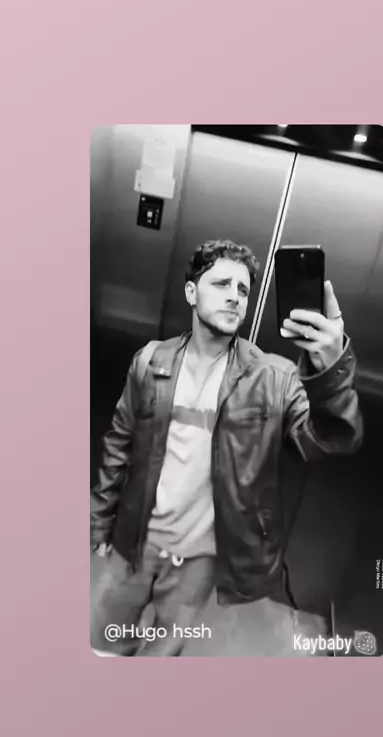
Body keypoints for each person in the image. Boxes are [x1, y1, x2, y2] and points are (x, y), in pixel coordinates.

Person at [90, 240, 362, 656]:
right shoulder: (151, 361)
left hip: (198, 562)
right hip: (134, 541)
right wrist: (99, 521)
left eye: (243, 289)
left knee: (162, 654)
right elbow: (119, 443)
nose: (235, 296)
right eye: (221, 284)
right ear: (191, 292)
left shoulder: (274, 378)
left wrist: (330, 371)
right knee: (103, 644)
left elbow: (332, 438)